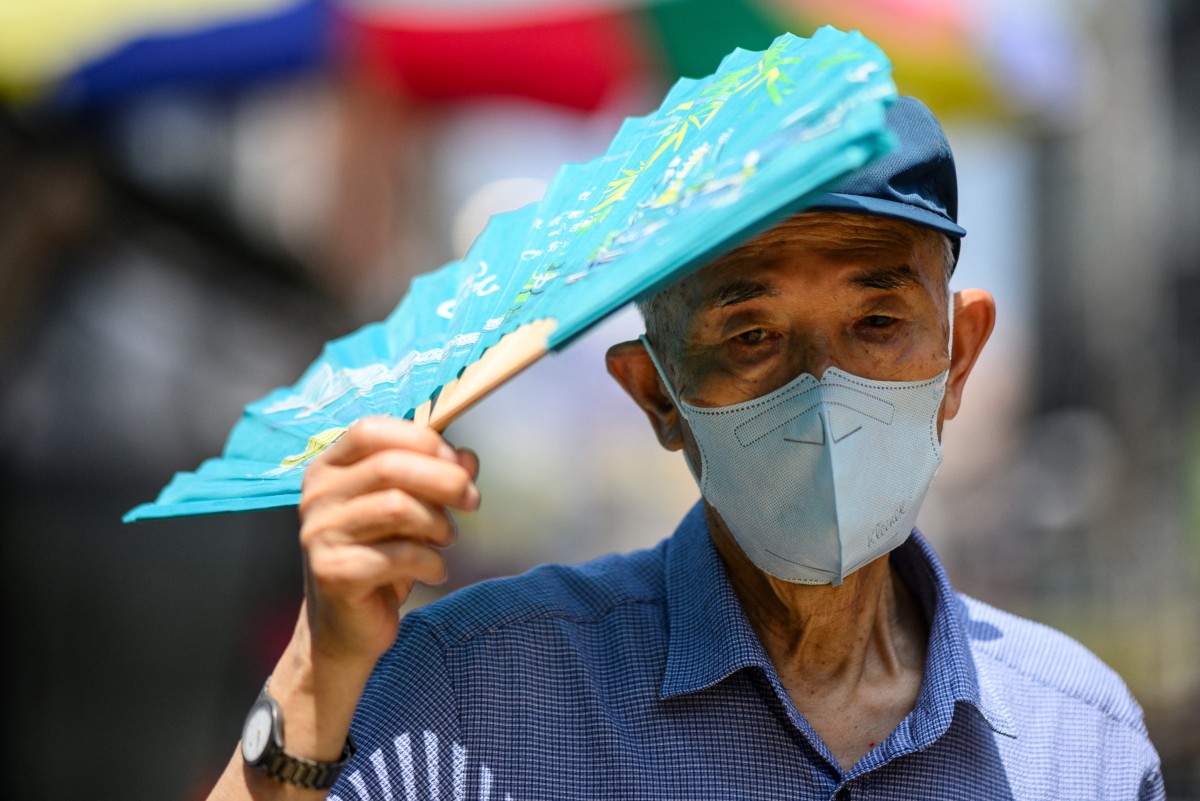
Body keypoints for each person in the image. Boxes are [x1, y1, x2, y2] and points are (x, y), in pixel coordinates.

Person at [210, 98, 1164, 800]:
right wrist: (318, 666)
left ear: (957, 359)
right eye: (751, 336)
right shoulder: (473, 690)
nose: (823, 390)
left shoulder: (1079, 737)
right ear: (657, 393)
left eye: (878, 320)